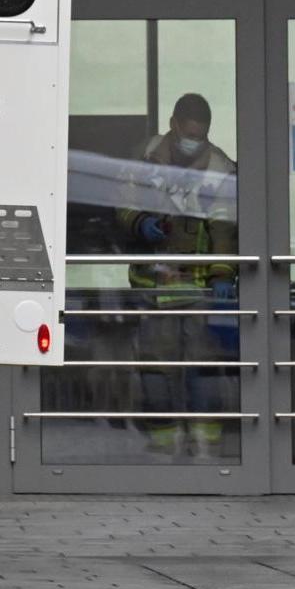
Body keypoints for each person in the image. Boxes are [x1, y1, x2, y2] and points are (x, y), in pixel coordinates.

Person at [120, 93, 239, 458]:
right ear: (173, 125)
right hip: (152, 284)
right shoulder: (144, 158)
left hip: (200, 285)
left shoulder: (220, 169)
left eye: (200, 136)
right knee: (156, 365)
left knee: (203, 365)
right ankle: (164, 440)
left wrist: (222, 272)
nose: (194, 143)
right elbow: (122, 203)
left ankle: (206, 442)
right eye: (189, 134)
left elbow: (224, 225)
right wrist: (141, 224)